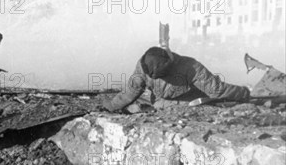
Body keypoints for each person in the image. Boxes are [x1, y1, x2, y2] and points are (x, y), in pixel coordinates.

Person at [103, 46, 250, 112]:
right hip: (163, 104)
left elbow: (217, 90)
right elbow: (131, 91)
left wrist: (243, 93)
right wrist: (111, 106)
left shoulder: (190, 67)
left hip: (190, 103)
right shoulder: (144, 65)